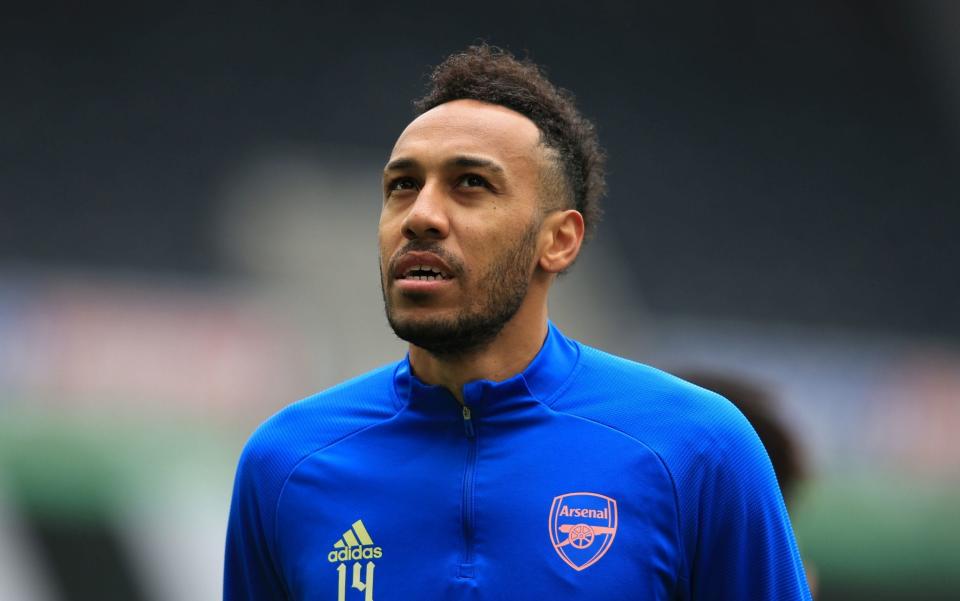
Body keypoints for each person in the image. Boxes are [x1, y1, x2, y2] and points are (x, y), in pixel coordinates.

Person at [224, 44, 812, 600]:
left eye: (470, 184)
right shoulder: (286, 462)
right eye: (403, 186)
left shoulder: (698, 449)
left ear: (558, 241)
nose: (421, 215)